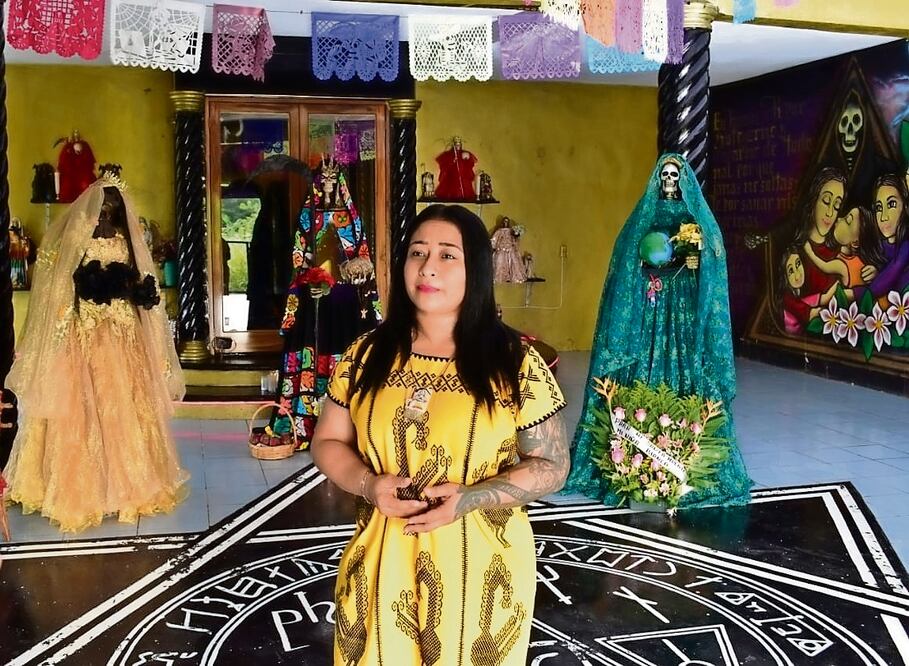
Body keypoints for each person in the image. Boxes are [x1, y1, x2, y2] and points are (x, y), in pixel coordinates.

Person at [312, 203, 568, 664]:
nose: (428, 267)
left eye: (448, 255)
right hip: (380, 556)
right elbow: (327, 441)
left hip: (480, 568)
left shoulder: (513, 362)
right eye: (417, 253)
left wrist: (469, 497)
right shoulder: (366, 354)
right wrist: (371, 485)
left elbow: (552, 466)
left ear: (477, 270)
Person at [563, 153, 751, 508]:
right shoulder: (645, 215)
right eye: (664, 174)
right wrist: (646, 260)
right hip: (652, 302)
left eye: (674, 175)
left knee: (687, 363)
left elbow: (713, 255)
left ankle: (688, 447)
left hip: (681, 304)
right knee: (643, 363)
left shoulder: (695, 218)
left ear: (684, 182)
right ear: (657, 178)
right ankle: (634, 447)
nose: (669, 180)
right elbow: (626, 257)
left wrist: (696, 259)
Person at [3, 176, 188, 533]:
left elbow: (139, 279)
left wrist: (137, 293)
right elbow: (59, 283)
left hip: (121, 333)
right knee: (80, 411)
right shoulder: (77, 238)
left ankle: (125, 486)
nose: (105, 216)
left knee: (123, 408)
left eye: (111, 210)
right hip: (84, 331)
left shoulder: (126, 242)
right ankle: (83, 488)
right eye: (101, 209)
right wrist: (66, 323)